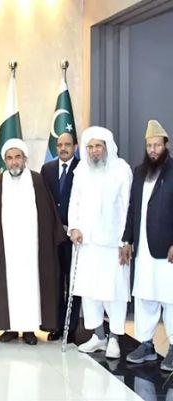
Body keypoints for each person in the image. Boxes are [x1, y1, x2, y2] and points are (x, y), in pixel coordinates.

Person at [0, 138, 64, 345]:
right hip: (6, 247)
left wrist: (52, 239)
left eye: (17, 157)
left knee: (30, 285)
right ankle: (10, 328)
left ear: (25, 159)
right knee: (8, 286)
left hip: (32, 246)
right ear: (5, 161)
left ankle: (29, 329)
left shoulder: (37, 180)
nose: (14, 162)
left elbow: (48, 212)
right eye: (10, 158)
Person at [69, 126, 132, 359]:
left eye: (98, 146)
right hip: (86, 243)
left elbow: (127, 207)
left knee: (114, 292)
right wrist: (74, 227)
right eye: (91, 147)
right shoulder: (81, 171)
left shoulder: (121, 169)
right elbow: (74, 202)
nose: (94, 151)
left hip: (113, 244)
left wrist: (126, 241)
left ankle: (114, 338)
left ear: (107, 147)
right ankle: (98, 336)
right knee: (89, 292)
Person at [121, 120, 173, 372]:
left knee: (170, 298)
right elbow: (132, 209)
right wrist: (127, 240)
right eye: (149, 145)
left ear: (166, 145)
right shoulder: (140, 171)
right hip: (143, 249)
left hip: (167, 250)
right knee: (144, 297)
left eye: (157, 145)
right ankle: (146, 344)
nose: (153, 150)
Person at [40, 132, 80, 342]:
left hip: (74, 237)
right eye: (60, 145)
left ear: (75, 146)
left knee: (73, 283)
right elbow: (43, 201)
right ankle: (56, 325)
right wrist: (55, 226)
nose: (63, 148)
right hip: (52, 236)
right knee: (55, 282)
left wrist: (71, 226)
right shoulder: (47, 169)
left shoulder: (82, 168)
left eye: (67, 144)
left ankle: (70, 328)